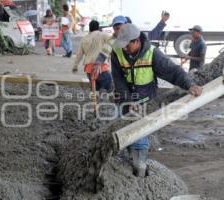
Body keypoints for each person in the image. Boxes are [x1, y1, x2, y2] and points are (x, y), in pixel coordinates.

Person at [111, 24, 202, 177]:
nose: (124, 48)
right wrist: (127, 100)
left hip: (145, 100)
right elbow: (118, 80)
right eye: (123, 45)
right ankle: (126, 157)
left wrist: (189, 84)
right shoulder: (117, 53)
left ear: (137, 41)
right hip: (125, 98)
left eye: (127, 45)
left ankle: (139, 168)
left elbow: (172, 71)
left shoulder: (152, 54)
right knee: (122, 128)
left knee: (139, 133)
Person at [72, 20, 112, 93]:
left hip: (89, 69)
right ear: (98, 27)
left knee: (95, 88)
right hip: (101, 68)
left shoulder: (84, 39)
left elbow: (79, 54)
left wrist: (75, 66)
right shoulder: (103, 35)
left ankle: (96, 99)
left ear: (89, 28)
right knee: (110, 87)